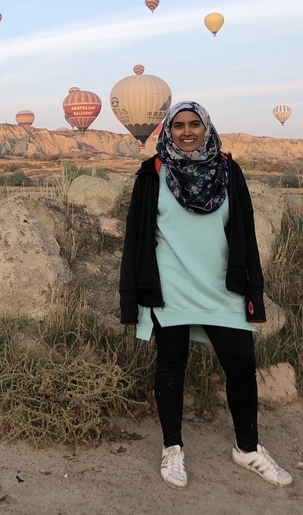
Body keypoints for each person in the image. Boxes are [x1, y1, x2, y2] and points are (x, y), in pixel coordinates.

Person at [119, 101, 292, 490]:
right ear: (168, 130)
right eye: (177, 125)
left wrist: (253, 289)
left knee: (242, 365)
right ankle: (172, 448)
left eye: (194, 124)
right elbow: (136, 238)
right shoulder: (151, 174)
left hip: (222, 286)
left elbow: (245, 234)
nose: (186, 131)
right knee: (171, 366)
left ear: (206, 127)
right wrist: (130, 297)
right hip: (171, 286)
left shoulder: (229, 171)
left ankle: (247, 449)